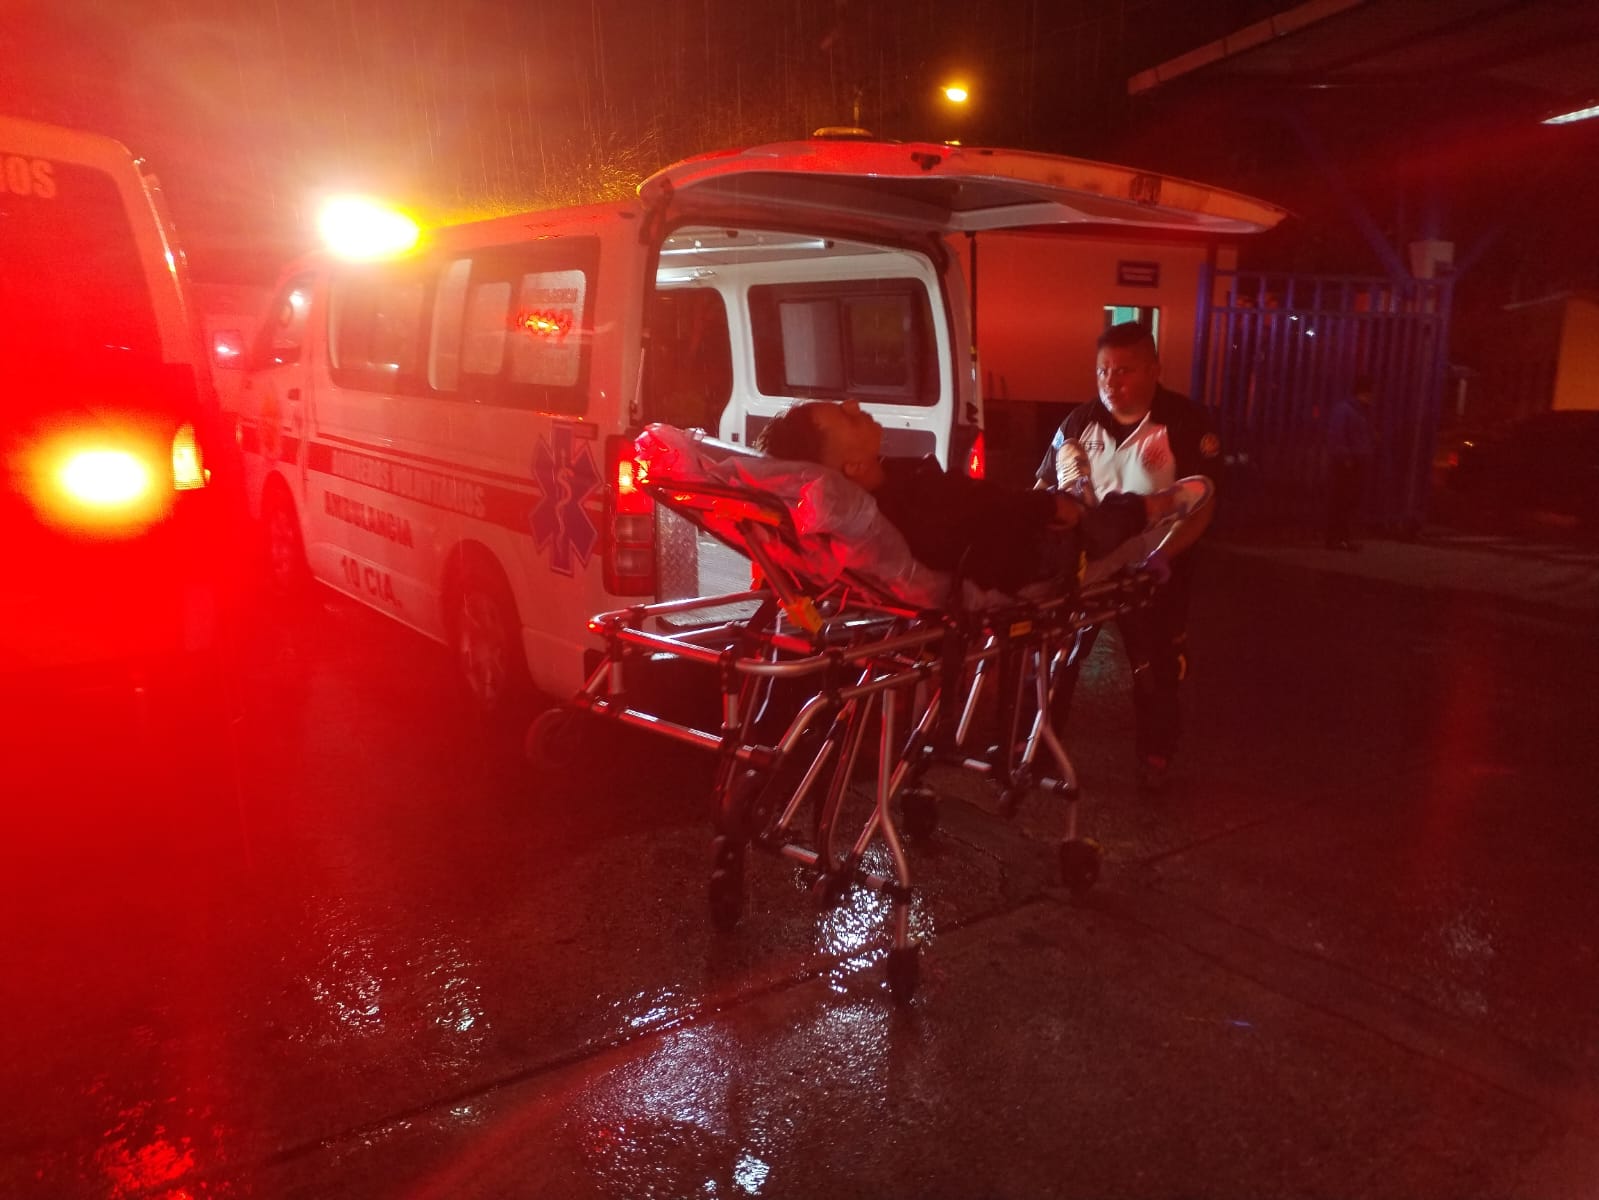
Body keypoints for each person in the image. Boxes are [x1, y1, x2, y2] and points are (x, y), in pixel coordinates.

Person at [1031, 321, 1222, 793]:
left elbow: (1203, 503)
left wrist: (1161, 558)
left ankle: (1156, 757)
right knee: (1056, 660)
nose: (1111, 383)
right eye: (1102, 372)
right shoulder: (1078, 423)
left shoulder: (1184, 424)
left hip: (1155, 566)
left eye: (1124, 371)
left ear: (1154, 369)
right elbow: (1042, 487)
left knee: (1155, 667)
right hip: (1088, 563)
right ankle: (1038, 751)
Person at [754, 398, 1192, 597]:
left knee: (1070, 508)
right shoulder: (916, 499)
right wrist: (1050, 507)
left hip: (1006, 538)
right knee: (1097, 526)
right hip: (1026, 556)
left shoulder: (885, 493)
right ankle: (1157, 506)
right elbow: (986, 503)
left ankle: (1075, 489)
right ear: (851, 467)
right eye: (844, 417)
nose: (853, 404)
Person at [1325, 376, 1376, 551]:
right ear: (1363, 392)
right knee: (1342, 501)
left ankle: (1341, 538)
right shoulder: (1348, 410)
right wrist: (1346, 458)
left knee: (1348, 501)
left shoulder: (1358, 411)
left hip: (1356, 461)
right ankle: (1337, 538)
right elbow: (1338, 436)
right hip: (1349, 463)